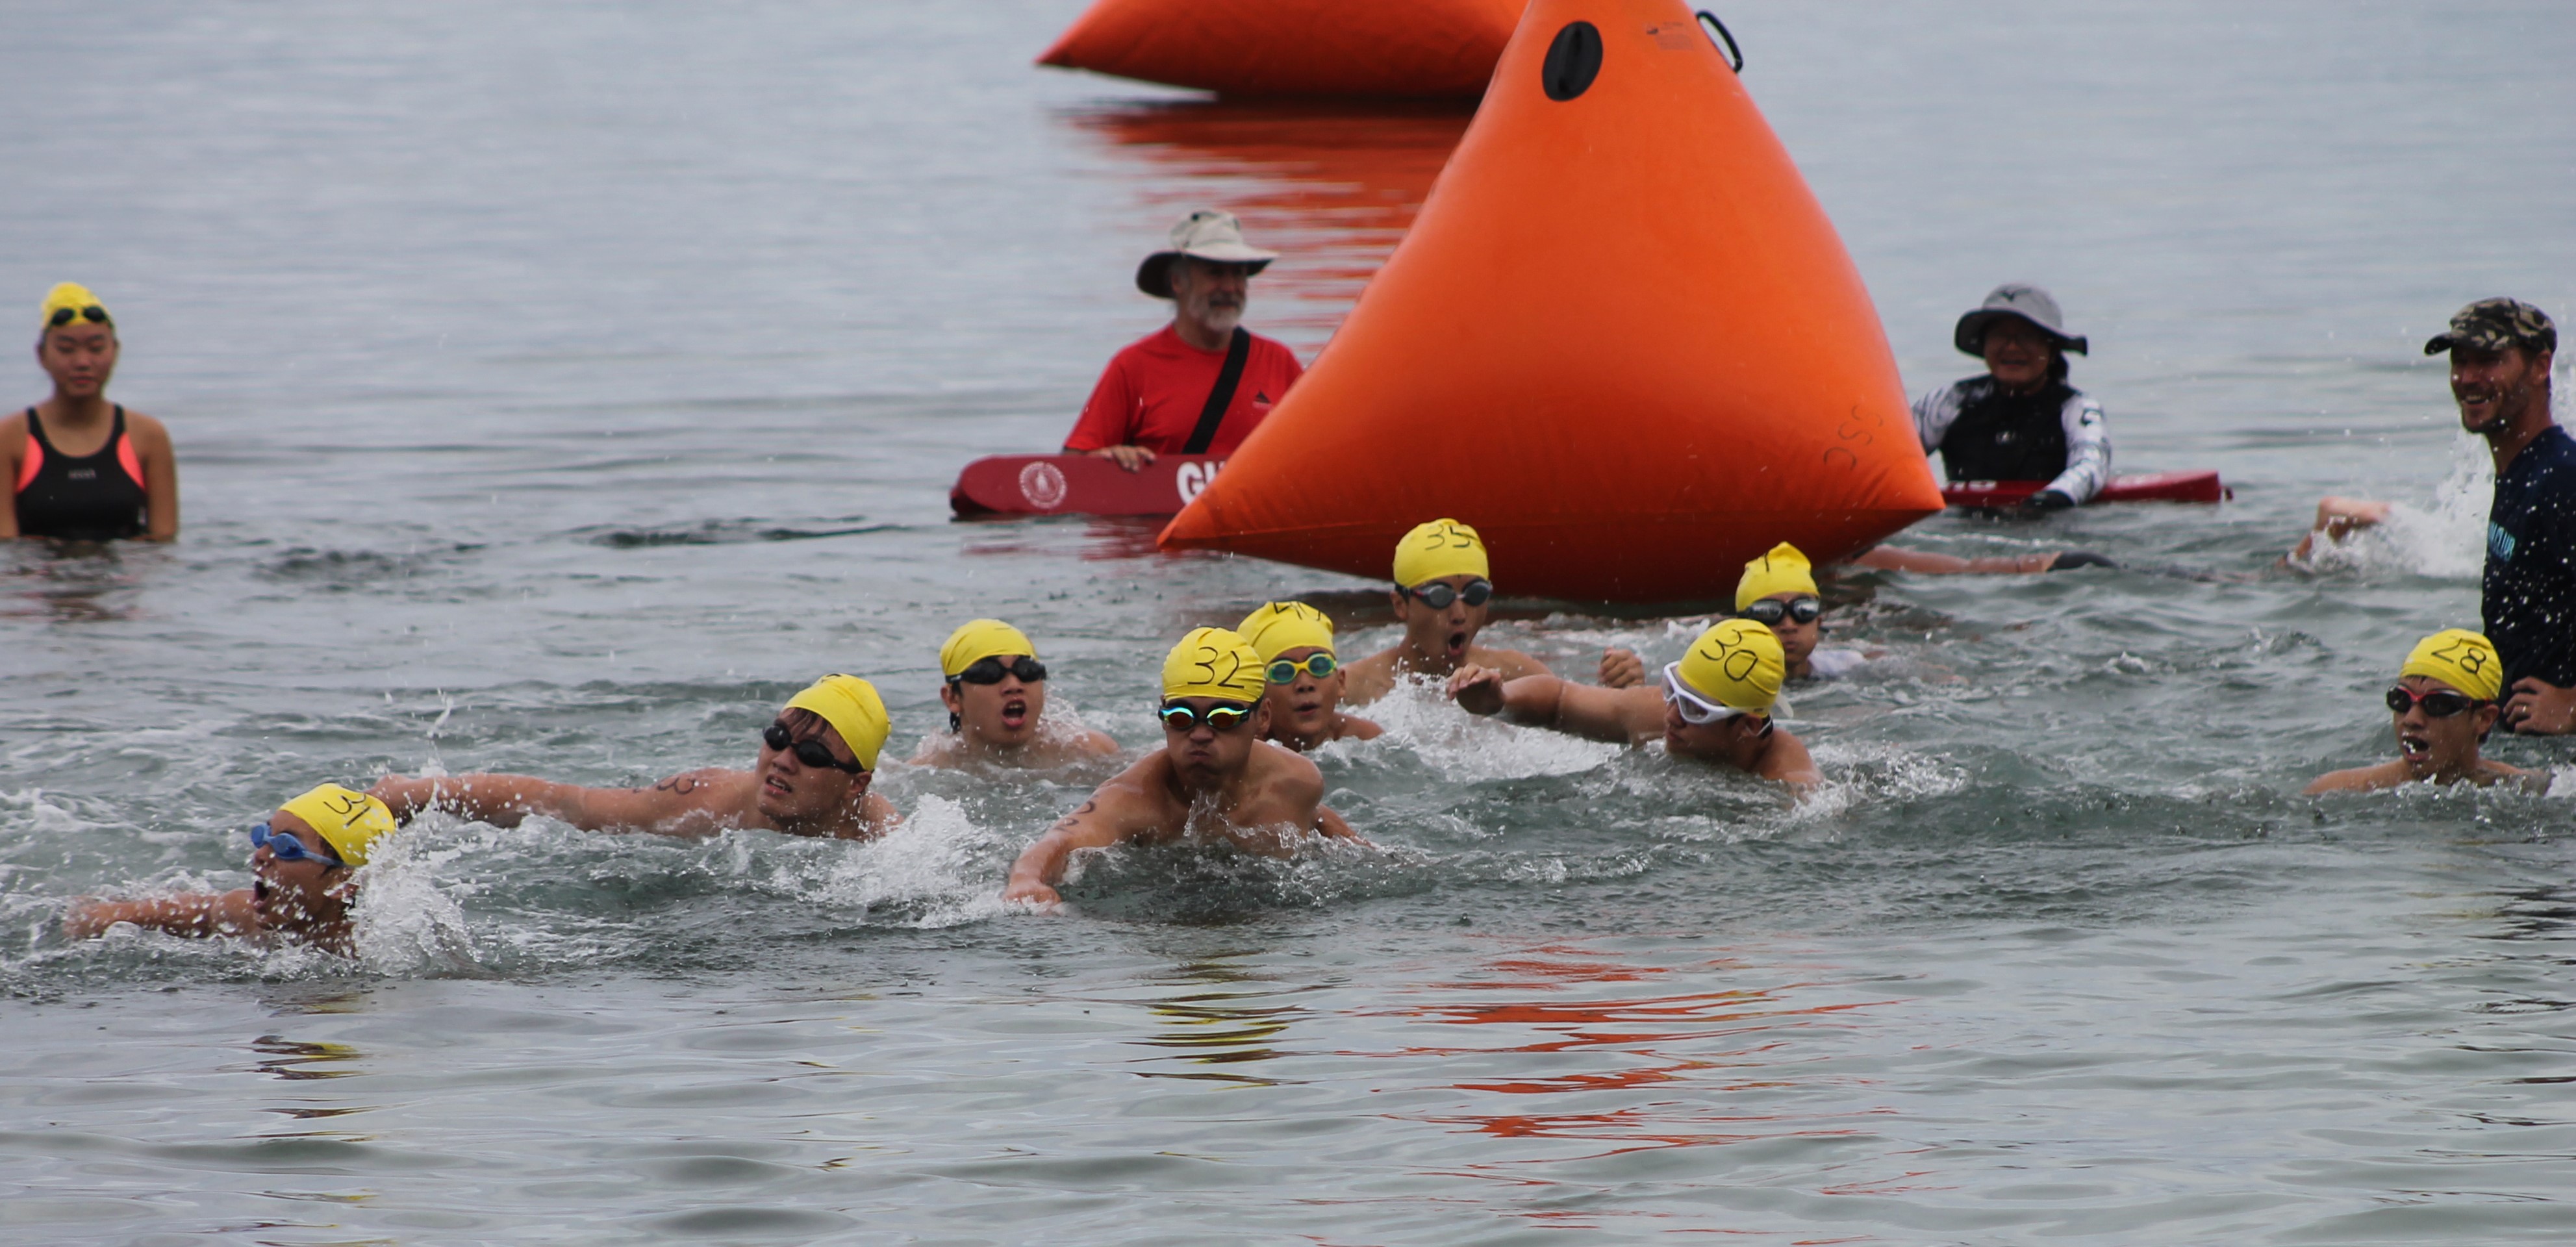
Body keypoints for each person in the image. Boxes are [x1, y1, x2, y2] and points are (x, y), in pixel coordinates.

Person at [2286, 299, 2574, 733]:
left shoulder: (2562, 478)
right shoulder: (2521, 473)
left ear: (2539, 368)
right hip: (2518, 739)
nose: (2469, 378)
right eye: (2461, 362)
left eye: (2491, 361)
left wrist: (2571, 705)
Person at [1002, 628, 1363, 908]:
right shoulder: (1135, 797)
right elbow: (1060, 839)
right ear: (1162, 715)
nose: (1201, 734)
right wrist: (1026, 881)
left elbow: (1312, 815)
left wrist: (1361, 851)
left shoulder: (1296, 780)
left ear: (1262, 718)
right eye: (1181, 717)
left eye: (1223, 718)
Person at [370, 675, 902, 839]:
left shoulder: (884, 840)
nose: (784, 759)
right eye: (777, 737)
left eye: (810, 753)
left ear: (856, 785)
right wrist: (414, 795)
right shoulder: (709, 801)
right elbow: (564, 804)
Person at [1447, 618, 1821, 789]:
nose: (1672, 716)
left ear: (1748, 727)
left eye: (1695, 709)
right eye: (1673, 691)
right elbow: (1560, 701)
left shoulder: (1789, 785)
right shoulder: (1660, 715)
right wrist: (1497, 701)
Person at [1062, 210, 1304, 472]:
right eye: (1215, 273)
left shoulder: (1279, 361)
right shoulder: (1133, 366)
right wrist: (1109, 458)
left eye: (1238, 274)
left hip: (1254, 512)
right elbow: (1068, 472)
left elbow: (1317, 451)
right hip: (1167, 513)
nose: (1230, 287)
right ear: (1178, 281)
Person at [62, 783, 396, 954]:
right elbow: (199, 911)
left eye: (286, 847)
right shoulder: (248, 916)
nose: (261, 855)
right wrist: (111, 914)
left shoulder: (379, 949)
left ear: (343, 882)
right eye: (264, 837)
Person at [1339, 518, 1643, 705]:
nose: (1459, 613)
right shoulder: (1352, 688)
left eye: (1475, 594)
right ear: (1400, 605)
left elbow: (1587, 733)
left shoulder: (1518, 674)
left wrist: (1623, 693)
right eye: (1439, 596)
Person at [1912, 283, 2111, 510]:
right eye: (2000, 336)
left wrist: (2055, 497)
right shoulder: (1951, 399)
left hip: (2051, 524)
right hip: (1964, 526)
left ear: (2053, 348)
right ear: (1984, 345)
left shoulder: (2077, 407)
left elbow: (2092, 464)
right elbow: (1895, 458)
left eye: (2026, 336)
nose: (2012, 347)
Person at [5, 283, 179, 540]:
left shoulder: (148, 436)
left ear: (115, 352)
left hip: (120, 579)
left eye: (96, 349)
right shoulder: (10, 438)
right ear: (41, 355)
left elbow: (163, 542)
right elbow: (4, 544)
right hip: (41, 579)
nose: (83, 362)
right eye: (66, 350)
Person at [2305, 629, 2544, 794]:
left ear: (2483, 719)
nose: (2412, 719)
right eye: (2401, 700)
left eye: (2437, 705)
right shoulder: (2338, 790)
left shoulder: (2528, 788)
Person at [908, 620, 1120, 769]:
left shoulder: (1091, 752)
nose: (1013, 685)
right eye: (989, 674)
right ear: (953, 698)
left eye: (1026, 670)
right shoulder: (927, 771)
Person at [1237, 600, 1381, 751]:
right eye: (1283, 672)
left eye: (1319, 666)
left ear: (1340, 682)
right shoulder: (1245, 752)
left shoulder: (1367, 739)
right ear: (1258, 695)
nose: (1305, 684)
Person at [1736, 543, 1873, 680]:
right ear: (1740, 630)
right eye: (1769, 612)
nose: (1789, 626)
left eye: (1804, 610)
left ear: (1818, 623)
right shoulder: (1728, 685)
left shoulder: (1847, 666)